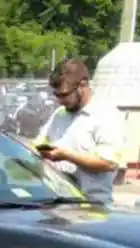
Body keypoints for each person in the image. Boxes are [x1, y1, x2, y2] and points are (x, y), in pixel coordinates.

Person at [35, 57, 126, 205]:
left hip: (92, 208)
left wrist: (66, 155)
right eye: (56, 95)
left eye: (64, 94)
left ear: (82, 86)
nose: (60, 100)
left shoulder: (105, 115)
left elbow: (108, 163)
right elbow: (40, 143)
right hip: (58, 204)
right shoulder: (60, 114)